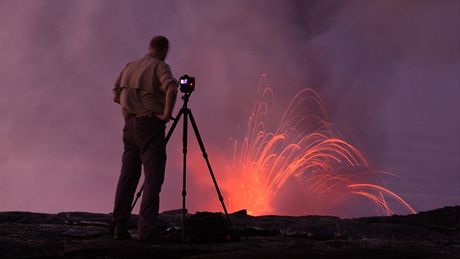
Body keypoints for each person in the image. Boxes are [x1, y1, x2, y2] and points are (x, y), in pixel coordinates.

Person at [111, 35, 178, 241]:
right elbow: (172, 88)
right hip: (149, 125)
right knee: (153, 178)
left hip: (129, 126)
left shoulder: (130, 66)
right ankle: (147, 231)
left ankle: (119, 227)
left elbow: (115, 95)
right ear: (165, 49)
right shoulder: (160, 66)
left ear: (149, 47)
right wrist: (166, 114)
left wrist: (133, 104)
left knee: (128, 176)